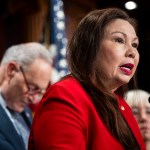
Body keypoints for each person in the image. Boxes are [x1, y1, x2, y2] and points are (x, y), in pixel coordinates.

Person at [28, 8, 146, 150]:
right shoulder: (66, 95)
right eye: (119, 40)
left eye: (135, 45)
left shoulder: (123, 107)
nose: (132, 52)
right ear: (90, 47)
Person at [0, 42, 53, 150]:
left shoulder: (25, 111)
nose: (34, 100)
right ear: (11, 70)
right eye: (32, 88)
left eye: (40, 92)